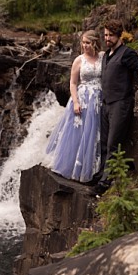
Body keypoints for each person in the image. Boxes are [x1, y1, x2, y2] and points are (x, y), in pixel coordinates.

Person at [94, 19, 138, 194]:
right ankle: (100, 174)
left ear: (119, 35)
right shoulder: (106, 55)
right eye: (105, 35)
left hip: (120, 104)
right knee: (104, 143)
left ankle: (105, 183)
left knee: (113, 143)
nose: (107, 38)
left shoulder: (127, 53)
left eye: (110, 35)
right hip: (106, 104)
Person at [44, 30, 104, 183]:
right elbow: (73, 83)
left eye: (87, 43)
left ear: (95, 43)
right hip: (82, 98)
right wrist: (76, 102)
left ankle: (90, 169)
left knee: (92, 135)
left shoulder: (103, 57)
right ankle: (70, 167)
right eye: (83, 42)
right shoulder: (79, 60)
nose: (84, 45)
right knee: (77, 133)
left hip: (98, 99)